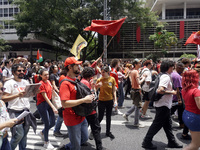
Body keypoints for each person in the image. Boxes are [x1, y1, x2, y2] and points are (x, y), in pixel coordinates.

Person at [142, 60, 182, 149]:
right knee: (156, 125)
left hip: (163, 104)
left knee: (168, 125)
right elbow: (160, 90)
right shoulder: (166, 77)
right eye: (172, 67)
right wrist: (172, 92)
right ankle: (146, 142)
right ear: (168, 68)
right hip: (163, 105)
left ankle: (172, 141)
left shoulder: (162, 75)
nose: (173, 69)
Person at [59, 57, 94, 150]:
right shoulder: (65, 83)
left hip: (81, 116)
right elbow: (65, 104)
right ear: (70, 67)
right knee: (76, 146)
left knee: (84, 138)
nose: (79, 67)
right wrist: (84, 100)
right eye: (77, 65)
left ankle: (66, 147)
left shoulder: (76, 80)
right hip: (72, 119)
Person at [2, 64, 36, 150]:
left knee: (24, 135)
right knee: (19, 134)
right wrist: (17, 95)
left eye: (23, 70)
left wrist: (34, 92)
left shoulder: (25, 82)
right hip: (15, 112)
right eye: (19, 70)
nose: (22, 72)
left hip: (26, 111)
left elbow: (27, 95)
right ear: (13, 72)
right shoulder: (9, 83)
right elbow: (3, 98)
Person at [81, 67, 103, 150]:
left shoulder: (83, 81)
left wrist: (95, 86)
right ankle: (99, 147)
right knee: (96, 128)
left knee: (85, 125)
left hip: (85, 108)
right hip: (90, 109)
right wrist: (96, 87)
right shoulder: (86, 83)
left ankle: (82, 141)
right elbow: (91, 95)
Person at [37, 68, 58, 149]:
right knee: (47, 123)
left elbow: (51, 93)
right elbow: (45, 97)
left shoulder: (48, 81)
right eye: (45, 75)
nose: (47, 76)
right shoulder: (40, 84)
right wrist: (53, 107)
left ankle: (42, 132)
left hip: (49, 103)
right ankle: (46, 142)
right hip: (42, 104)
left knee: (52, 122)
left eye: (48, 74)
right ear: (40, 76)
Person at [123, 59, 146, 127]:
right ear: (135, 64)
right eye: (139, 63)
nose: (140, 64)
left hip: (133, 90)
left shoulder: (132, 71)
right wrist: (144, 78)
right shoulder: (136, 72)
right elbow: (139, 82)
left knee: (136, 105)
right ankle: (136, 123)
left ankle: (126, 114)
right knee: (137, 107)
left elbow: (134, 80)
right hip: (136, 90)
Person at [97, 66, 117, 139]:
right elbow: (94, 89)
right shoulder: (99, 80)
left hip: (109, 100)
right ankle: (94, 131)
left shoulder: (112, 79)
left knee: (109, 117)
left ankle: (108, 132)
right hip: (101, 100)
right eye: (101, 72)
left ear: (107, 72)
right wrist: (97, 86)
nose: (101, 73)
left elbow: (114, 90)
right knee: (100, 117)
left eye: (103, 72)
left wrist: (115, 100)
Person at [182, 70, 200, 150]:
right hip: (195, 117)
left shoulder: (184, 90)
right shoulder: (196, 91)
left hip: (187, 114)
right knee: (195, 145)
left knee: (195, 142)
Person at [0, 81, 18, 150]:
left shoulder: (2, 103)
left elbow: (5, 119)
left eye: (2, 89)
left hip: (4, 139)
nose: (1, 92)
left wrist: (15, 121)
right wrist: (6, 124)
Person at [49, 65, 64, 137]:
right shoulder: (52, 75)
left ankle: (57, 130)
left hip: (59, 92)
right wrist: (59, 92)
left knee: (61, 113)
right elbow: (53, 85)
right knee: (61, 113)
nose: (57, 68)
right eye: (55, 67)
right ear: (52, 69)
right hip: (56, 94)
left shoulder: (57, 74)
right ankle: (56, 130)